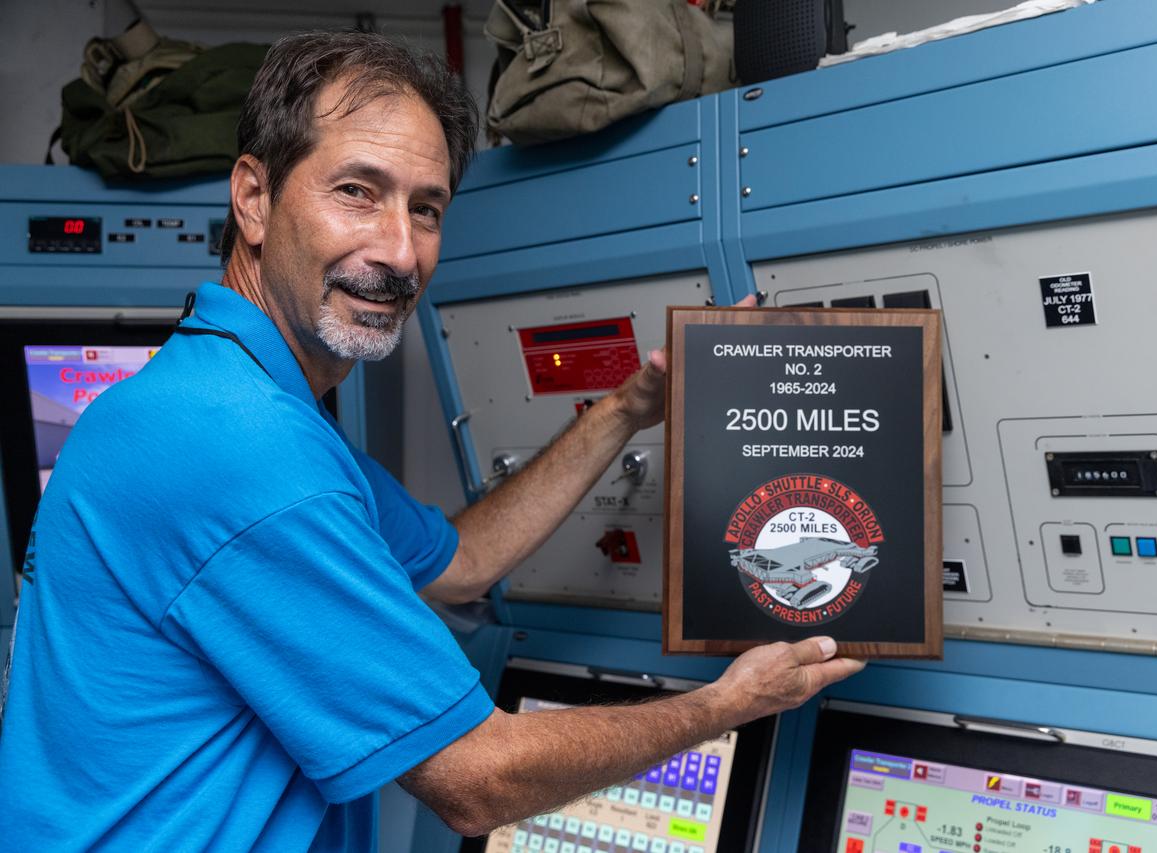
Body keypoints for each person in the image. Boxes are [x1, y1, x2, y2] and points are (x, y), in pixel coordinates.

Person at [0, 30, 863, 850]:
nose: (400, 252)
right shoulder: (242, 451)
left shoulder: (223, 400)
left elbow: (459, 561)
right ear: (254, 198)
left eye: (427, 208)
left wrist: (631, 406)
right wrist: (728, 705)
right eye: (356, 192)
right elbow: (475, 779)